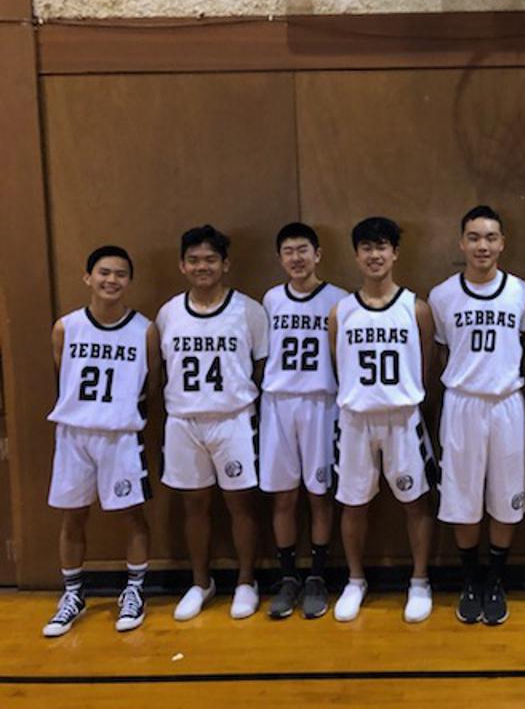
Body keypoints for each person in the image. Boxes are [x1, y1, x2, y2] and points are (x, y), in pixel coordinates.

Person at [156, 225, 269, 621]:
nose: (202, 266)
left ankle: (246, 581)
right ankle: (201, 582)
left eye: (210, 259)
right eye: (194, 260)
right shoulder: (169, 312)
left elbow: (260, 366)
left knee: (241, 504)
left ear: (225, 264)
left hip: (233, 419)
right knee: (194, 505)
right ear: (182, 265)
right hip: (184, 420)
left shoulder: (249, 310)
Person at [329, 217, 437, 624]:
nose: (375, 255)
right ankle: (355, 580)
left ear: (395, 253)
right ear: (356, 255)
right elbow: (338, 366)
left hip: (402, 417)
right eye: (367, 248)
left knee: (415, 501)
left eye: (382, 247)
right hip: (356, 419)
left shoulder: (416, 308)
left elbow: (425, 367)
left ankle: (420, 580)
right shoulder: (341, 312)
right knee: (353, 503)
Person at [43, 246, 156, 636]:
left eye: (120, 274)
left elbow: (151, 383)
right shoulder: (66, 327)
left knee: (131, 514)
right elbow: (62, 373)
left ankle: (135, 590)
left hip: (120, 435)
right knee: (72, 515)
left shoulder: (144, 329)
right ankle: (73, 594)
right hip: (74, 434)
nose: (112, 280)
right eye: (104, 272)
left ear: (129, 281)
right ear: (88, 277)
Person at [428, 206, 525, 626]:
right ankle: (470, 580)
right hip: (462, 403)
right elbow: (441, 350)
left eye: (490, 237)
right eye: (473, 237)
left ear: (502, 243)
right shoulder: (442, 296)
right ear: (461, 243)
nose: (482, 246)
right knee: (462, 499)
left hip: (506, 403)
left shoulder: (521, 292)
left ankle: (494, 580)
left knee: (506, 498)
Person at [261, 222, 347, 619]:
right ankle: (288, 577)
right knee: (283, 495)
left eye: (303, 250)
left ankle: (317, 576)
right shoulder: (270, 300)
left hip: (321, 402)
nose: (296, 258)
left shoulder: (338, 300)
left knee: (319, 494)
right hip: (279, 402)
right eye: (288, 251)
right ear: (280, 258)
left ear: (318, 254)